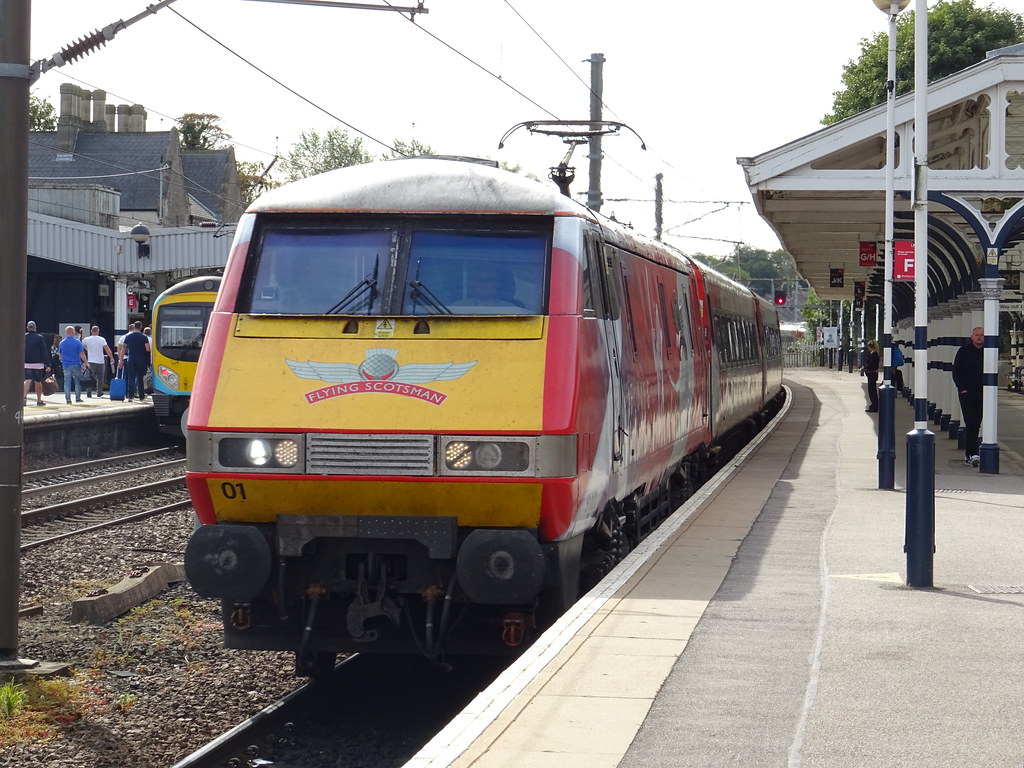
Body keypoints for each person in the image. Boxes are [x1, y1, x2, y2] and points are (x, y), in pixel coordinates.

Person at [952, 326, 984, 468]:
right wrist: (962, 389)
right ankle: (973, 454)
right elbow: (956, 371)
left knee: (977, 422)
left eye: (982, 335)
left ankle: (969, 454)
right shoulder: (963, 351)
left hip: (982, 392)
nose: (979, 337)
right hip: (967, 393)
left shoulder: (988, 352)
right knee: (970, 422)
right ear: (972, 337)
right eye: (977, 335)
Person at [118, 320, 151, 401]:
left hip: (131, 359)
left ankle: (130, 396)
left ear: (134, 327)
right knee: (140, 378)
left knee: (131, 378)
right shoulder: (144, 337)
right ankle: (141, 397)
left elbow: (123, 348)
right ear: (140, 327)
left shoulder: (128, 337)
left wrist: (120, 360)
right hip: (141, 360)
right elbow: (147, 349)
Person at [58, 324, 89, 404]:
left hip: (66, 365)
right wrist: (86, 363)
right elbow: (81, 354)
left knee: (67, 382)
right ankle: (78, 398)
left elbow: (60, 355)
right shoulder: (77, 342)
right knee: (77, 381)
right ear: (73, 332)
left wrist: (63, 361)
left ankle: (68, 399)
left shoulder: (62, 343)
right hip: (76, 364)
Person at [23, 321, 51, 406]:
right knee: (38, 381)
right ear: (35, 328)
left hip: (26, 363)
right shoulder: (40, 337)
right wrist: (48, 364)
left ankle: (24, 397)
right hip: (38, 364)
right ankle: (39, 400)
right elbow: (44, 351)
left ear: (27, 328)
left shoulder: (23, 337)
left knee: (27, 380)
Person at [82, 325, 114, 397]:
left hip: (90, 361)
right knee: (100, 378)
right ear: (98, 331)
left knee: (89, 377)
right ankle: (99, 392)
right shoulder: (101, 339)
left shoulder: (86, 339)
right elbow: (107, 349)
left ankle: (89, 392)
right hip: (100, 361)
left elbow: (81, 346)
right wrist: (111, 357)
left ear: (91, 331)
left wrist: (87, 349)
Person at [860, 340, 880, 413]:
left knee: (872, 391)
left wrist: (865, 368)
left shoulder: (874, 355)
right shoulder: (872, 354)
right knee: (871, 390)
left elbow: (872, 365)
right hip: (871, 374)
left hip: (872, 374)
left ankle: (874, 406)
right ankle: (874, 405)